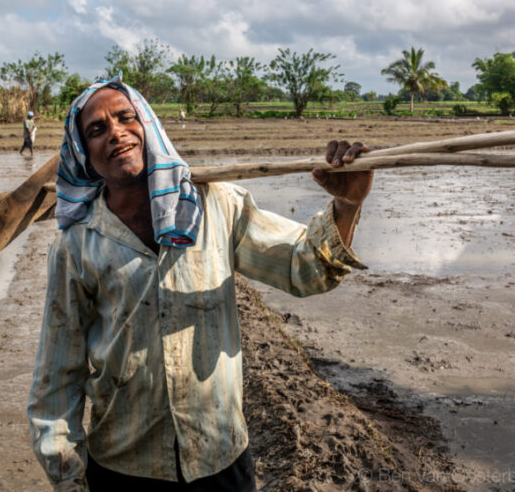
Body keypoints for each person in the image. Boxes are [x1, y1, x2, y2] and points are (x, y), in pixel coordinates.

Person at [27, 76, 372, 492]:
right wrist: (67, 475)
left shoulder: (215, 205)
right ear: (83, 152)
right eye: (97, 130)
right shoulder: (76, 246)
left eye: (125, 118)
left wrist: (346, 205)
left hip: (219, 459)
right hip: (125, 465)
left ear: (148, 126)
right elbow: (57, 375)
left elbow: (304, 268)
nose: (116, 134)